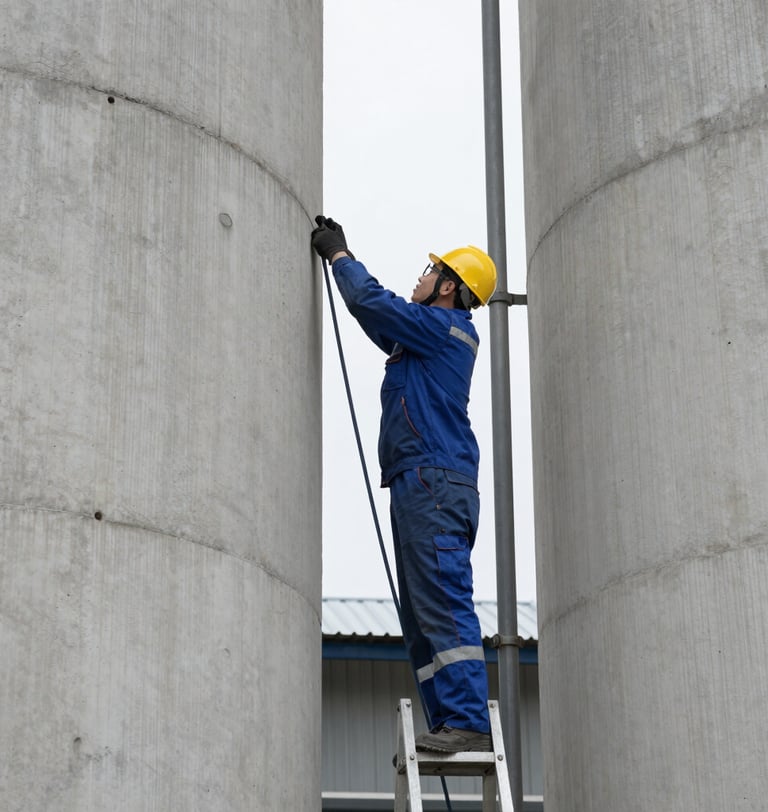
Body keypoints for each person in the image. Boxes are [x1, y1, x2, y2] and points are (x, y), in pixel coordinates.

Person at [311, 215, 497, 753]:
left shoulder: (443, 329)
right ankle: (451, 722)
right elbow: (378, 320)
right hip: (423, 481)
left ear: (448, 287)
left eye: (430, 271)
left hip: (434, 481)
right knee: (420, 611)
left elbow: (374, 303)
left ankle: (466, 720)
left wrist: (342, 258)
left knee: (440, 596)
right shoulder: (426, 337)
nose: (420, 278)